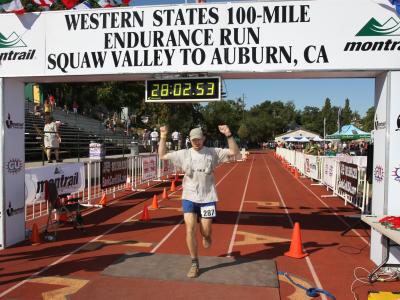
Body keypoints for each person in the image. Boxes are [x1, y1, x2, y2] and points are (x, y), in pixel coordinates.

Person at [159, 125, 239, 278]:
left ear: (203, 139)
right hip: (189, 196)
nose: (197, 142)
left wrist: (228, 135)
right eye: (194, 139)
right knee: (189, 229)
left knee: (205, 230)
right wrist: (163, 136)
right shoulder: (183, 154)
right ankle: (194, 263)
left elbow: (235, 152)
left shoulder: (212, 152)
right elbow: (162, 155)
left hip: (208, 198)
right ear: (190, 140)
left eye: (199, 139)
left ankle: (207, 235)